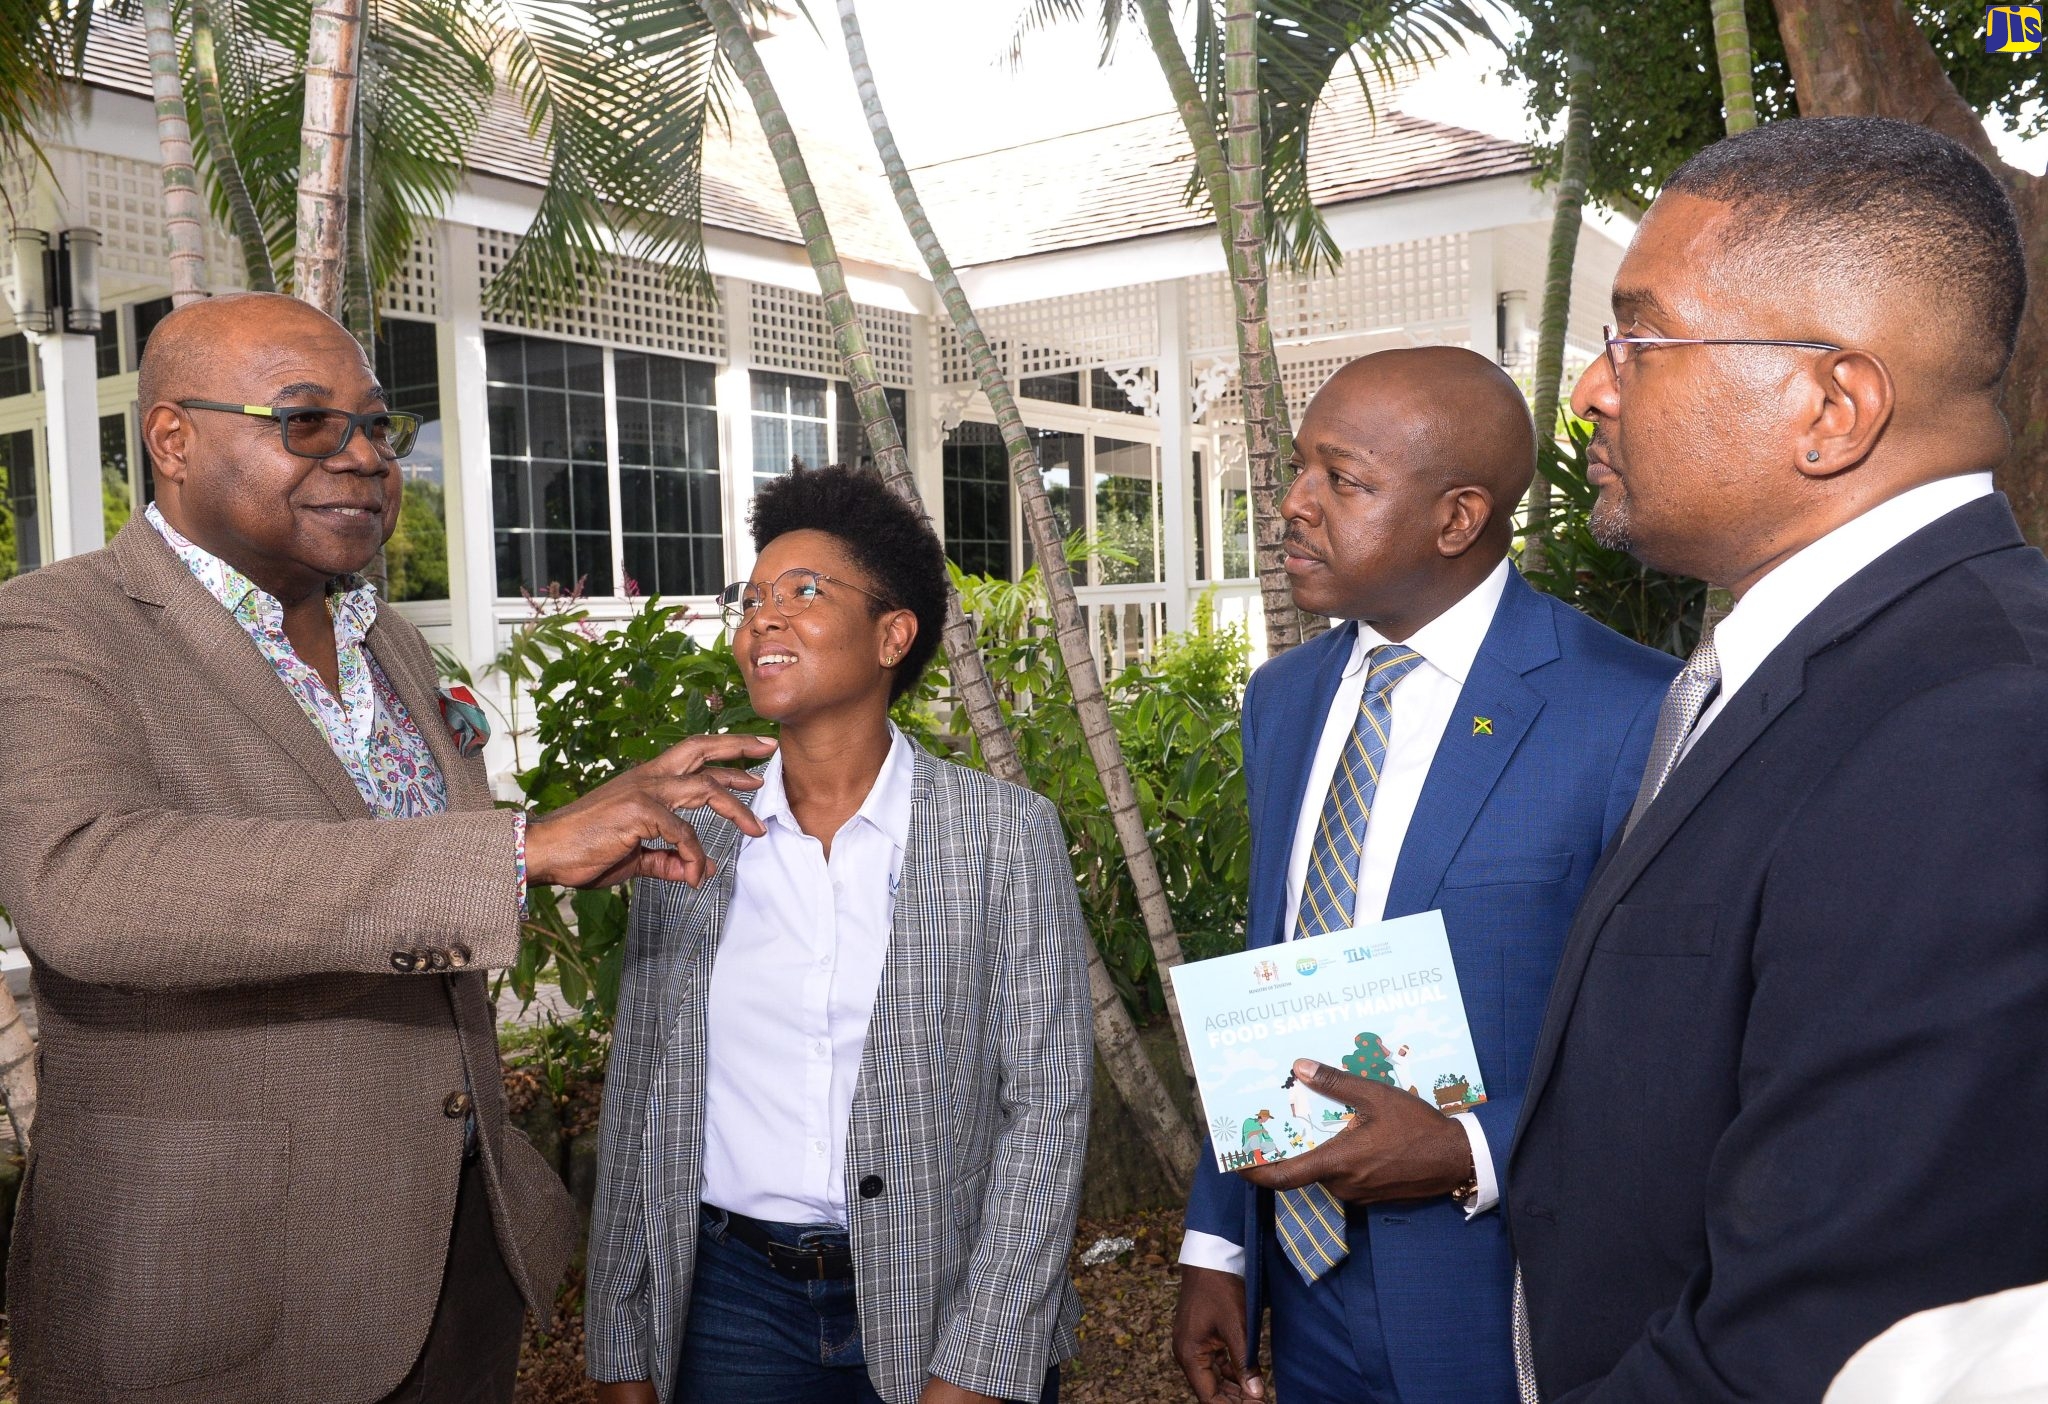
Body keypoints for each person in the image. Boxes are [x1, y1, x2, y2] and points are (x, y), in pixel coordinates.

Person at [0, 293, 775, 1404]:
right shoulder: (55, 627)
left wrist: (583, 833)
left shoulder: (387, 638)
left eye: (377, 427)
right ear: (172, 439)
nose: (362, 457)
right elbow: (85, 883)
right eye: (307, 423)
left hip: (450, 1260)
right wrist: (515, 853)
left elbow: (412, 884)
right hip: (221, 1294)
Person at [1508, 117, 2048, 1401]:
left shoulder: (1974, 728)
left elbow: (1822, 1333)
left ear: (1831, 406)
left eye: (1636, 338)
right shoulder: (1830, 672)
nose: (1588, 387)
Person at [1172, 346, 1679, 1404]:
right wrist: (1218, 1246)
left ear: (1456, 519)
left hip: (1499, 1300)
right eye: (1299, 470)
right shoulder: (1282, 700)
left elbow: (1668, 1048)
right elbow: (1272, 974)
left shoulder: (1634, 713)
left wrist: (1464, 1150)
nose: (1291, 506)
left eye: (1340, 481)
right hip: (1301, 1297)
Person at [585, 464, 1093, 1404]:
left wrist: (981, 1357)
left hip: (947, 1286)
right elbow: (643, 1101)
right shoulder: (691, 836)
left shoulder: (1003, 834)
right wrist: (621, 1346)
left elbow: (1048, 1113)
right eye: (753, 599)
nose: (763, 619)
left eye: (805, 593)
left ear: (893, 633)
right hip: (731, 1306)